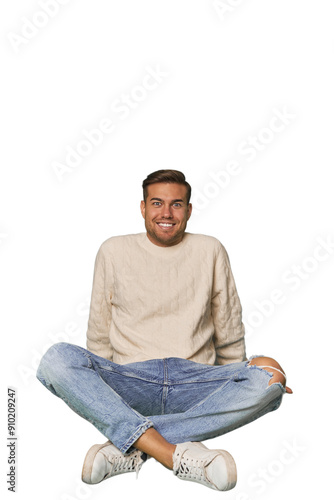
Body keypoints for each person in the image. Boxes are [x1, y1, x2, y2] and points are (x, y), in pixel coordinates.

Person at [37, 170, 292, 491]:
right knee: (56, 358)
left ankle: (131, 446)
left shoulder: (210, 249)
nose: (167, 213)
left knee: (270, 375)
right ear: (143, 208)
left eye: (177, 204)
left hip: (196, 382)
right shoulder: (113, 251)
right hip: (131, 381)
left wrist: (238, 381)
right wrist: (98, 393)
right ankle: (176, 453)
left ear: (188, 210)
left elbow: (228, 324)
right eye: (157, 203)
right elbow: (99, 331)